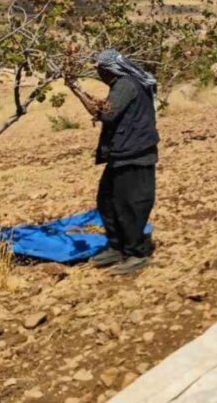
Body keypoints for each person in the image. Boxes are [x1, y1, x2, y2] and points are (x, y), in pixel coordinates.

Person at [68, 49, 159, 276]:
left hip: (134, 153)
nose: (99, 74)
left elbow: (106, 114)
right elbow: (107, 110)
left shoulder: (125, 85)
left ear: (108, 70)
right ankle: (117, 247)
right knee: (107, 200)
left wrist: (76, 90)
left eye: (100, 70)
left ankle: (136, 254)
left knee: (130, 205)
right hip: (124, 152)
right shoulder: (125, 84)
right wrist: (76, 88)